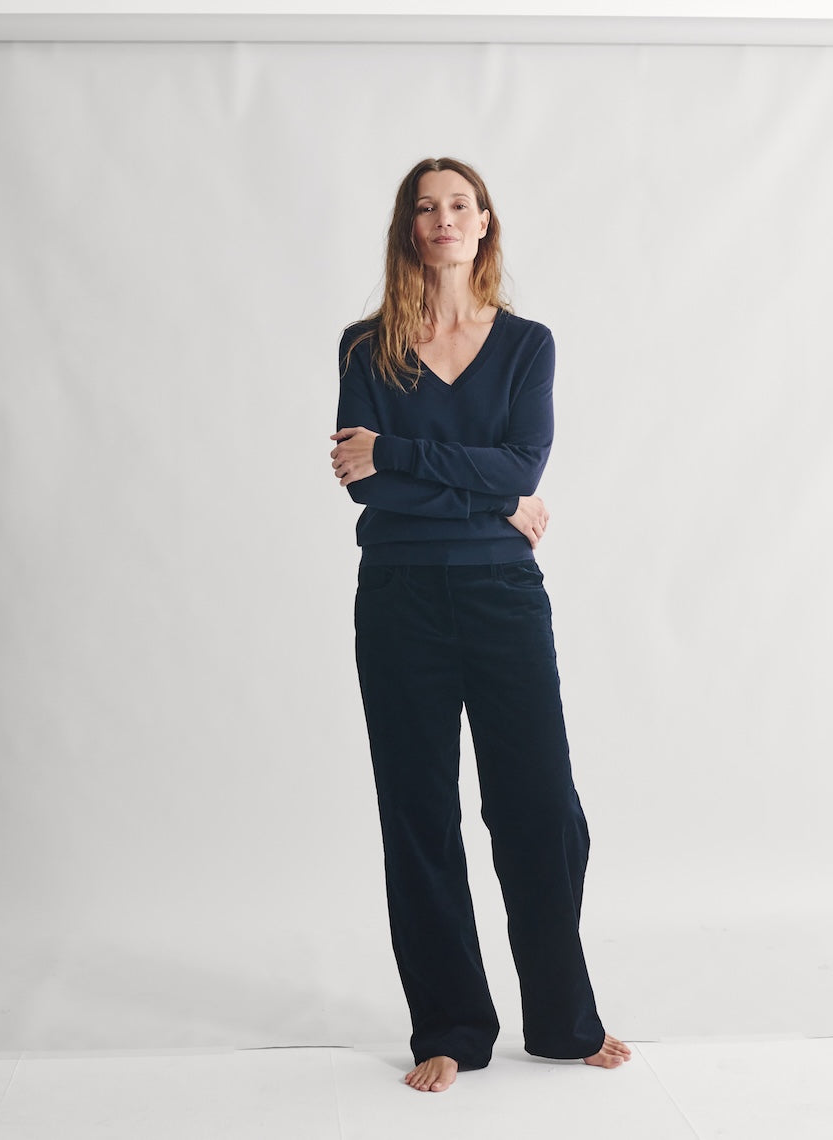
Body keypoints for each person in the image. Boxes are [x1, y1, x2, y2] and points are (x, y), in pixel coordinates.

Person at [330, 157, 630, 1093]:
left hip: (503, 596)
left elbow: (522, 466)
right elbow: (364, 485)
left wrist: (407, 453)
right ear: (409, 229)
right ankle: (451, 1026)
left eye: (460, 204)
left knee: (543, 811)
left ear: (485, 221)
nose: (444, 219)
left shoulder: (528, 344)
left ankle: (563, 1020)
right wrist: (493, 496)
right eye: (426, 208)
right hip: (400, 598)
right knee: (419, 813)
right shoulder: (365, 347)